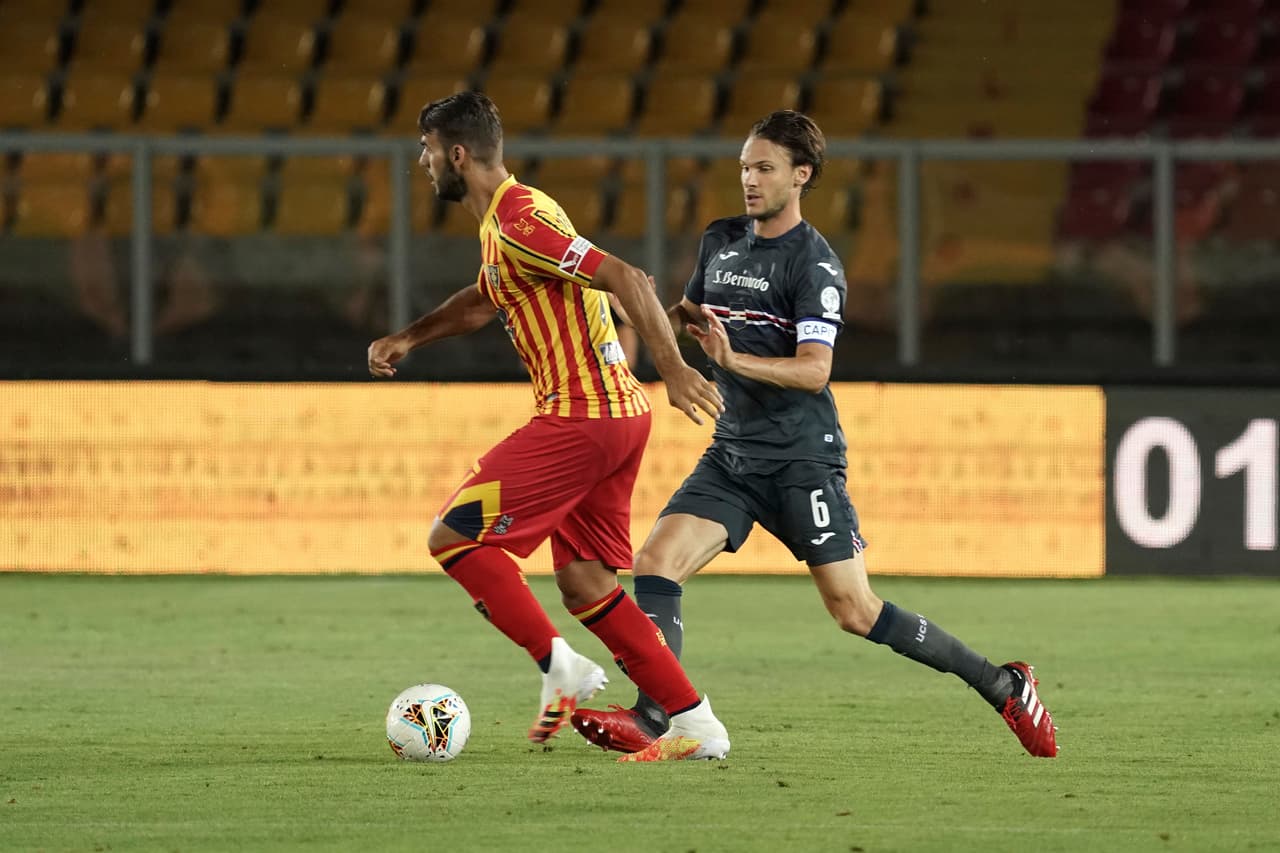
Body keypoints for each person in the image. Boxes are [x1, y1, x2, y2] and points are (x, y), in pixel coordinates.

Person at [570, 110, 1059, 761]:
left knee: (855, 610)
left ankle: (1002, 684)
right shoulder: (720, 240)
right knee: (657, 560)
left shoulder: (816, 264)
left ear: (801, 175)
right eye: (745, 166)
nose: (749, 178)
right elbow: (689, 314)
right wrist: (639, 318)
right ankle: (659, 711)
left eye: (764, 167)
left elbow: (815, 369)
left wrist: (731, 359)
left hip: (803, 460)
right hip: (733, 457)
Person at [366, 91, 731, 761]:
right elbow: (484, 300)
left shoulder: (521, 222)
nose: (421, 163)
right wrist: (410, 337)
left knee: (455, 538)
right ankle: (694, 719)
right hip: (616, 417)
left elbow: (627, 278)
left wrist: (674, 368)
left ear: (455, 154)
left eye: (425, 150)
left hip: (582, 415)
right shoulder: (513, 218)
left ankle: (558, 664)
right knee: (586, 582)